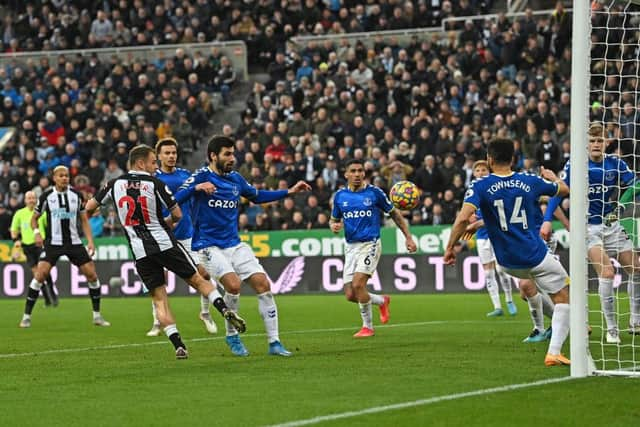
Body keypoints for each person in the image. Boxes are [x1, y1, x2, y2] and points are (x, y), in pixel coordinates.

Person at [85, 145, 246, 359]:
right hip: (164, 242)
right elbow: (177, 214)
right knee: (198, 280)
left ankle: (178, 345)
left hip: (140, 251)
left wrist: (101, 207)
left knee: (159, 299)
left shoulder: (113, 185)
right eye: (153, 162)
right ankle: (223, 309)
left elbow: (88, 208)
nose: (155, 166)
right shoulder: (155, 183)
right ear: (141, 163)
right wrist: (166, 223)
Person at [175, 135, 311, 357]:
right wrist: (197, 188)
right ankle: (232, 336)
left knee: (263, 284)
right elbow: (175, 198)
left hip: (234, 243)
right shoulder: (199, 177)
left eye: (233, 153)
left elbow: (257, 196)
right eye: (227, 154)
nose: (232, 158)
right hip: (207, 245)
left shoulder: (236, 179)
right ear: (213, 156)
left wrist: (290, 192)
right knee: (234, 285)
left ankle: (274, 342)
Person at [444, 138, 571, 366]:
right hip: (534, 254)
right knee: (564, 297)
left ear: (490, 160)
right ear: (513, 159)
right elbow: (564, 190)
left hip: (506, 261)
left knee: (528, 287)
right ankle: (554, 351)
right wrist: (553, 178)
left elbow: (462, 218)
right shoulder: (529, 180)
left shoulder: (479, 185)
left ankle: (545, 327)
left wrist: (450, 248)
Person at [542, 122, 640, 343]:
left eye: (600, 140)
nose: (596, 144)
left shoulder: (615, 163)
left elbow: (636, 186)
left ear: (606, 142)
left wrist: (620, 207)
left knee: (636, 267)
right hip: (588, 228)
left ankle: (635, 320)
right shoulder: (576, 165)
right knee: (606, 273)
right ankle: (612, 329)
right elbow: (558, 193)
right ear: (586, 144)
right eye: (592, 141)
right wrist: (547, 220)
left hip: (611, 225)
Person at [330, 159, 417, 337]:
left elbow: (395, 214)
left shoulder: (375, 193)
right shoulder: (340, 196)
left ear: (364, 173)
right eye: (352, 171)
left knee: (358, 284)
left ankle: (367, 327)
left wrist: (408, 237)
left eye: (360, 171)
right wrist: (334, 226)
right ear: (346, 174)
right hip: (350, 247)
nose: (357, 174)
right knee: (350, 294)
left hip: (371, 243)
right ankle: (382, 300)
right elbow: (334, 220)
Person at [18, 166, 110, 328]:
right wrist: (37, 233)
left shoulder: (76, 195)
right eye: (61, 176)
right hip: (53, 243)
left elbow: (84, 220)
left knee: (92, 275)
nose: (65, 178)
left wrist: (90, 241)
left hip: (74, 243)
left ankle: (97, 316)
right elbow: (34, 219)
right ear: (54, 178)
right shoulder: (47, 196)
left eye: (67, 176)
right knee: (40, 275)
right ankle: (26, 317)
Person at [145, 137, 218, 337]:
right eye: (167, 153)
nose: (171, 156)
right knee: (159, 282)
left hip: (186, 235)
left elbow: (196, 199)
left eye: (174, 153)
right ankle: (158, 321)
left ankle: (204, 313)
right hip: (161, 235)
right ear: (158, 156)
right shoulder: (152, 179)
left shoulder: (186, 175)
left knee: (203, 274)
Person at [465, 160, 517, 317]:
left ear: (489, 172)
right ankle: (497, 306)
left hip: (497, 233)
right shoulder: (471, 191)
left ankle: (509, 299)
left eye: (483, 170)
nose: (480, 172)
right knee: (488, 273)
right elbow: (467, 211)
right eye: (478, 170)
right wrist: (470, 217)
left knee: (501, 269)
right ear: (474, 174)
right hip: (481, 237)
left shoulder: (494, 188)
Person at [11, 191, 58, 307]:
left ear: (36, 200)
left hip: (40, 245)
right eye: (29, 198)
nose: (31, 200)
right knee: (37, 274)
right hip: (27, 247)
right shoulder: (19, 214)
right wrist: (16, 240)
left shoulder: (41, 213)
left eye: (33, 198)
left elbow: (50, 226)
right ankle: (47, 299)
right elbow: (14, 230)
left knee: (44, 271)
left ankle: (53, 295)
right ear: (25, 200)